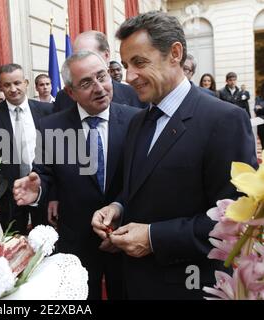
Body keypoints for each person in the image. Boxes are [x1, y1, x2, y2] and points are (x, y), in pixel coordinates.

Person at [91, 11, 256, 300]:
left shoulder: (224, 120)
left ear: (175, 53)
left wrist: (153, 238)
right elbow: (138, 189)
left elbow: (234, 224)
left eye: (139, 63)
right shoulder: (137, 122)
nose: (129, 77)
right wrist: (118, 208)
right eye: (126, 65)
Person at [12, 51, 139, 299]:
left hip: (126, 234)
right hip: (77, 239)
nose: (99, 88)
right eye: (86, 83)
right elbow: (45, 175)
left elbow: (141, 179)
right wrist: (37, 190)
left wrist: (120, 218)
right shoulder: (51, 127)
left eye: (102, 77)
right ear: (70, 92)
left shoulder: (136, 120)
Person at [0, 64, 53, 235]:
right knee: (13, 241)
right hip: (9, 195)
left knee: (46, 242)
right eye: (7, 85)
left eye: (17, 83)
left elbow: (56, 150)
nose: (13, 89)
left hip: (42, 190)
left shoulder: (47, 111)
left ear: (26, 83)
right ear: (1, 87)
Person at [53, 31, 147, 113]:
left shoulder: (135, 96)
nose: (81, 62)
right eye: (76, 57)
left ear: (106, 55)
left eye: (88, 55)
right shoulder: (63, 98)